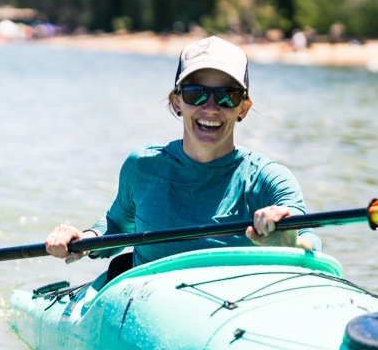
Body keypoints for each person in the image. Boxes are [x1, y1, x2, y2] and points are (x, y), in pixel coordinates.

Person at [45, 36, 321, 272]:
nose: (211, 107)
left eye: (227, 95)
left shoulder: (270, 179)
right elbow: (117, 224)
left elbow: (311, 241)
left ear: (243, 108)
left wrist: (290, 241)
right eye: (195, 93)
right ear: (177, 102)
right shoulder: (142, 166)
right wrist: (83, 239)